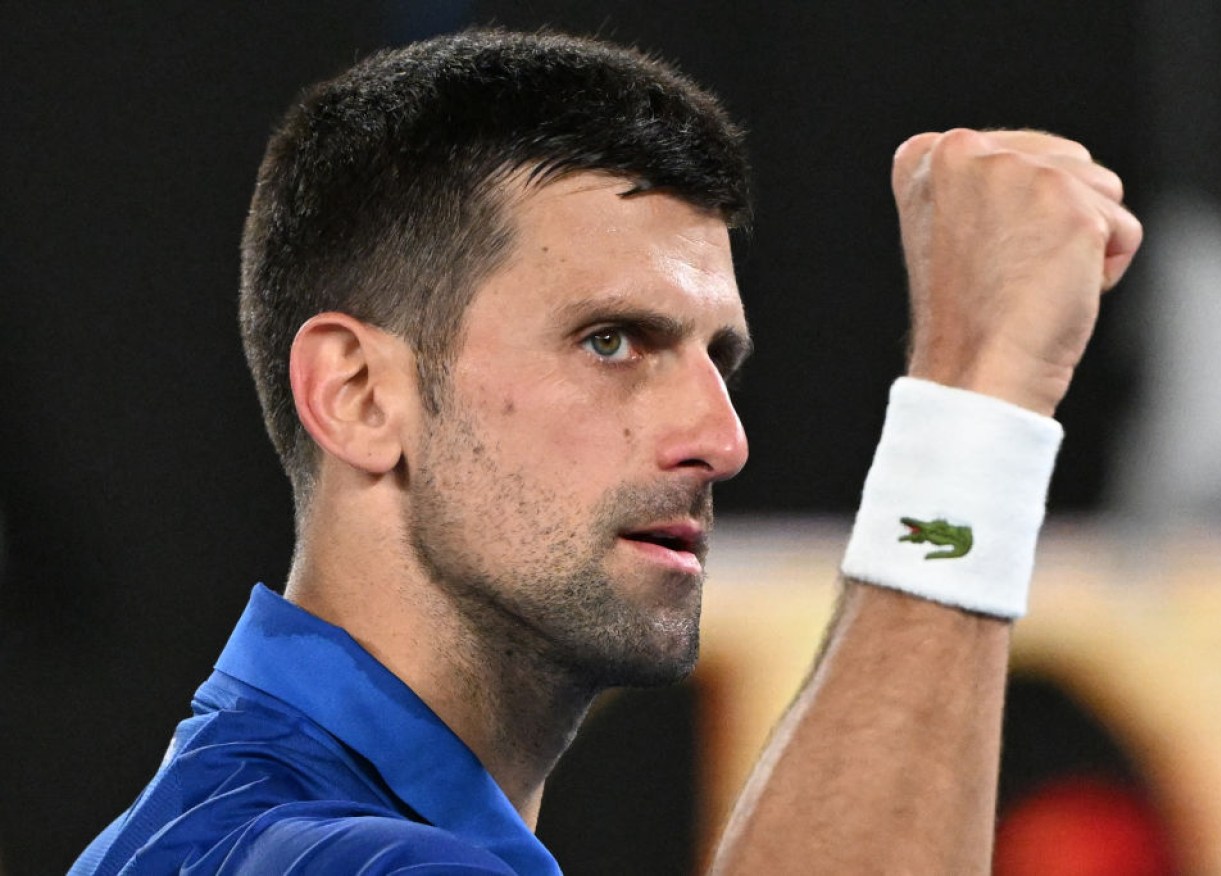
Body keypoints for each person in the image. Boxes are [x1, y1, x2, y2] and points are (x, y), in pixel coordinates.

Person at [71, 28, 1141, 875]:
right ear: (357, 395)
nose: (720, 442)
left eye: (716, 357)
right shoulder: (321, 859)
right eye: (611, 341)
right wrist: (973, 397)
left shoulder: (230, 826)